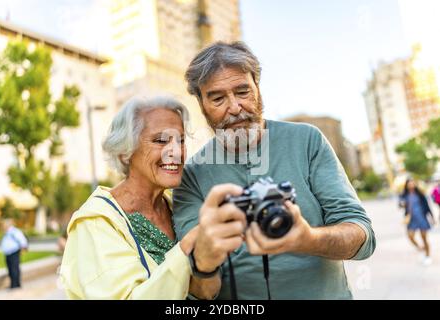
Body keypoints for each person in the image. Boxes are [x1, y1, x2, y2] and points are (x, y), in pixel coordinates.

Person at [173, 41, 376, 299]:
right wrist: (204, 260)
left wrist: (307, 239)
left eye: (243, 91)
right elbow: (200, 292)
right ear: (202, 105)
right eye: (218, 98)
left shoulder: (307, 141)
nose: (234, 107)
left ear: (258, 87)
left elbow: (362, 236)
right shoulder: (191, 175)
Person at [60, 96, 245, 299]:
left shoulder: (180, 206)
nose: (176, 152)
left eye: (181, 140)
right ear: (124, 152)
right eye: (161, 140)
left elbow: (205, 290)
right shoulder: (95, 222)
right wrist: (188, 247)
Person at [400, 178, 434, 266]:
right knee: (410, 236)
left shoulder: (420, 194)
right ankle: (420, 248)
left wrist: (432, 217)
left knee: (424, 238)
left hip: (421, 218)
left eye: (412, 183)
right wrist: (402, 204)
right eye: (409, 184)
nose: (411, 185)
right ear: (406, 185)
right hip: (411, 220)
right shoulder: (404, 195)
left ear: (415, 184)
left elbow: (427, 206)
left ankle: (428, 256)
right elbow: (400, 204)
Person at [1, 218, 28, 289]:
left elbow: (22, 240)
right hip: (8, 253)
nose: (2, 226)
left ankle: (15, 285)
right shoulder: (7, 232)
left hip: (14, 252)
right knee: (10, 269)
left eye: (3, 224)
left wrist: (22, 250)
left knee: (14, 269)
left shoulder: (14, 231)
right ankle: (13, 284)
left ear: (8, 224)